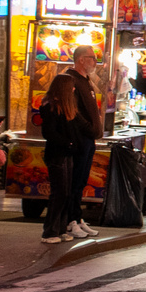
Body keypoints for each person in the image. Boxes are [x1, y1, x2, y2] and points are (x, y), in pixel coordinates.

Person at [39, 74, 84, 243]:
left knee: (67, 192)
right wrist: (68, 143)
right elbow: (48, 132)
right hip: (57, 154)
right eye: (71, 87)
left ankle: (61, 228)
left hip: (67, 153)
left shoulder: (67, 108)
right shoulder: (51, 107)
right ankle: (49, 231)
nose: (73, 90)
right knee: (59, 192)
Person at [66, 46, 103, 238]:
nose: (95, 62)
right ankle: (70, 220)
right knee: (74, 181)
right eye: (92, 58)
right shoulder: (71, 80)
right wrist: (88, 127)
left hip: (89, 139)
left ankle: (78, 218)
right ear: (81, 59)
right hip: (80, 139)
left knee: (81, 181)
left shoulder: (86, 81)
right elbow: (73, 111)